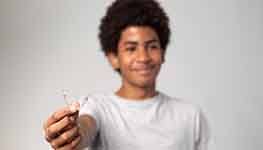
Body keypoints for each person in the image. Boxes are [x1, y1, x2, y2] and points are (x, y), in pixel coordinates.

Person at [43, 0, 210, 150]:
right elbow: (86, 127)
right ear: (113, 58)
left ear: (163, 52)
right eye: (131, 48)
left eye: (152, 46)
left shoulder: (190, 116)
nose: (143, 57)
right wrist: (73, 134)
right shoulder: (98, 107)